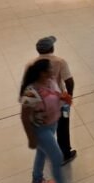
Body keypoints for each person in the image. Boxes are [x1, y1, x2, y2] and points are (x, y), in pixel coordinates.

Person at [25, 37, 76, 166]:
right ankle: (65, 154)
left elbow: (28, 86)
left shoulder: (31, 65)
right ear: (52, 48)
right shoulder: (60, 61)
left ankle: (49, 151)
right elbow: (69, 82)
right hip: (59, 103)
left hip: (40, 105)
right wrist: (69, 97)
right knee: (63, 127)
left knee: (45, 129)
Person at [20, 59, 70, 183]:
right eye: (50, 68)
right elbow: (24, 117)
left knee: (41, 153)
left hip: (52, 124)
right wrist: (31, 138)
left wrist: (62, 99)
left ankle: (37, 182)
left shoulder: (50, 81)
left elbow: (54, 94)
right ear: (42, 73)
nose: (52, 70)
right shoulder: (31, 91)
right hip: (40, 129)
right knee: (57, 157)